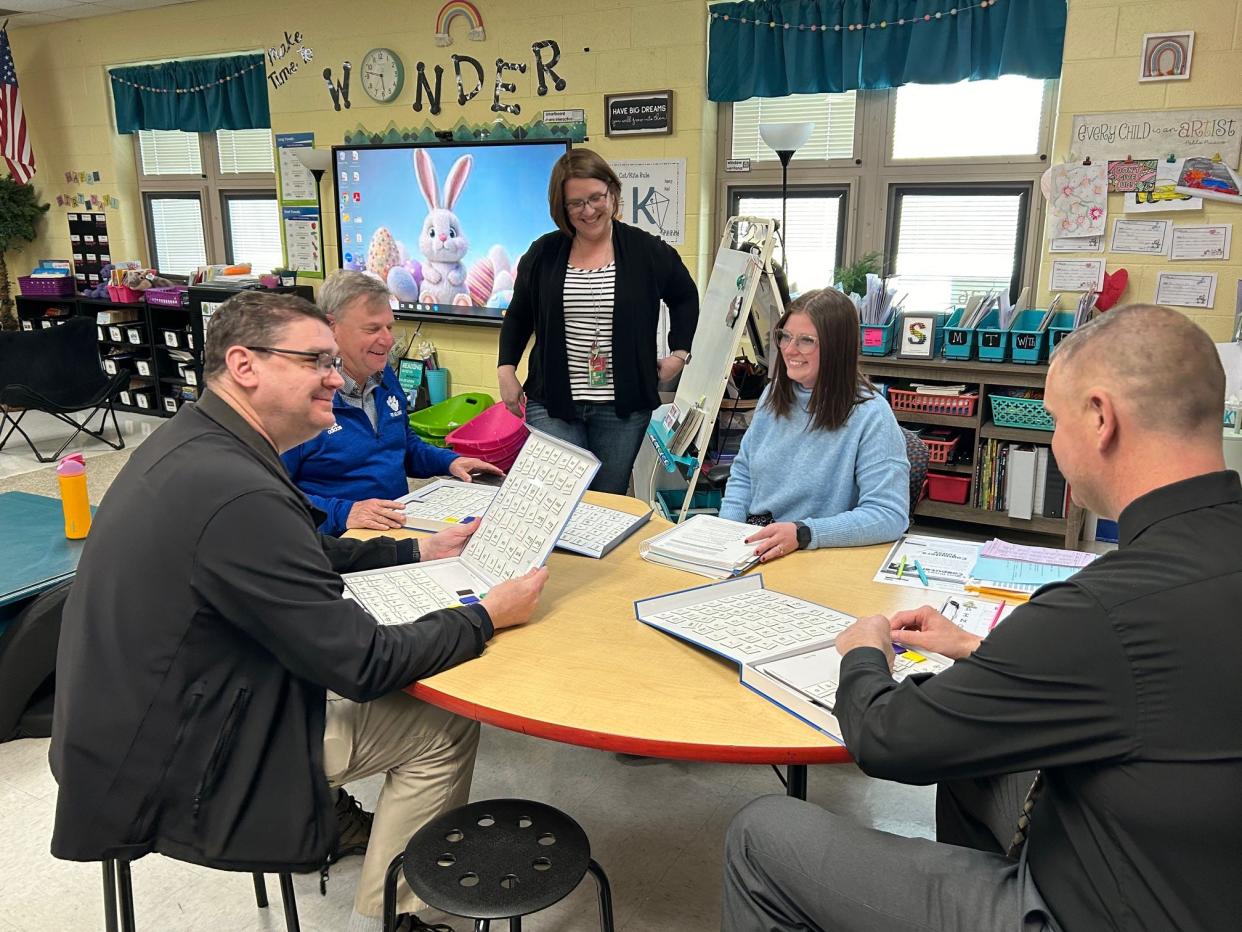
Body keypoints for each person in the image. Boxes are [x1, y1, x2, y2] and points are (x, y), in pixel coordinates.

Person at [722, 304, 1242, 932]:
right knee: (979, 768)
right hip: (1191, 871)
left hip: (1092, 902)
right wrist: (977, 649)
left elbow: (889, 740)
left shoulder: (1099, 609)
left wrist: (865, 652)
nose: (1054, 443)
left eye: (1053, 419)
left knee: (760, 830)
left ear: (1100, 419)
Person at [49, 291, 549, 932]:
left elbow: (295, 548)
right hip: (177, 750)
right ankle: (398, 917)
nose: (335, 378)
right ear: (244, 364)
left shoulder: (201, 442)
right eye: (315, 361)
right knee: (442, 725)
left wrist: (414, 550)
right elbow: (364, 664)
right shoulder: (237, 489)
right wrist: (485, 614)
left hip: (131, 718)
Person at [497, 147, 700, 494]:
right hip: (553, 403)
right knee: (558, 498)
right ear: (561, 207)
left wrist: (678, 355)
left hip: (622, 409)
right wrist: (506, 369)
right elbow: (519, 314)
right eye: (576, 203)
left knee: (607, 500)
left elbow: (684, 296)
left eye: (596, 198)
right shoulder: (543, 254)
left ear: (613, 192)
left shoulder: (645, 251)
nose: (588, 211)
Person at [283, 271, 503, 535]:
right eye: (373, 329)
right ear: (331, 328)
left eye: (390, 326)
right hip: (338, 543)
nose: (388, 340)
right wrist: (343, 513)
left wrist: (450, 462)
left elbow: (403, 445)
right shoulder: (296, 400)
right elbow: (273, 496)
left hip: (396, 528)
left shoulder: (384, 375)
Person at [718, 288, 908, 561]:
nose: (790, 350)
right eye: (785, 337)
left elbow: (889, 515)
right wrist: (728, 533)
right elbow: (744, 474)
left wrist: (804, 533)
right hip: (756, 545)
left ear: (836, 348)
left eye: (806, 341)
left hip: (816, 553)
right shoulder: (773, 395)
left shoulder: (870, 415)